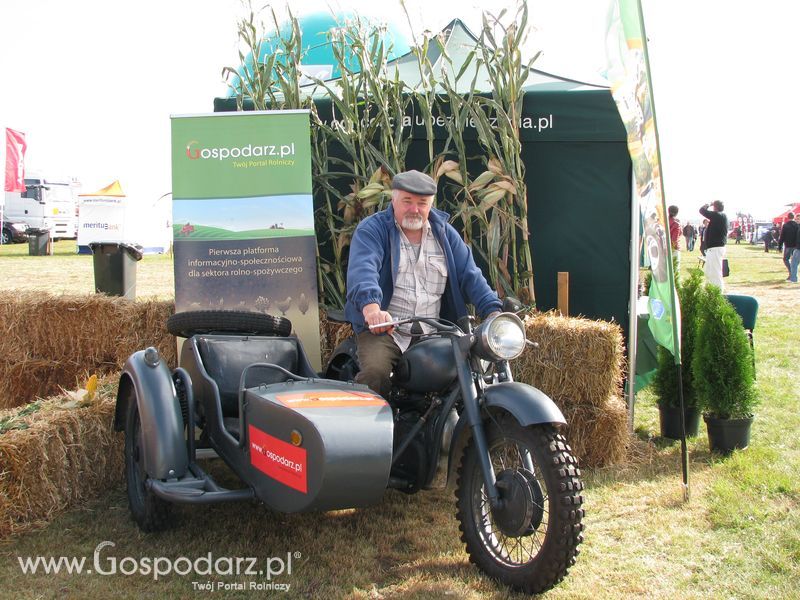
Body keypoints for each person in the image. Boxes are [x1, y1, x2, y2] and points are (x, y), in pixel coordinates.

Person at [344, 170, 502, 397]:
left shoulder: (445, 234)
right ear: (394, 200)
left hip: (436, 331)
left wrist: (493, 311)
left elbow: (471, 275)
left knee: (473, 372)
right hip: (387, 332)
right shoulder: (373, 230)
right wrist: (372, 309)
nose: (414, 209)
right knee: (375, 373)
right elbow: (363, 270)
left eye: (422, 203)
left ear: (430, 204)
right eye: (407, 201)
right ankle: (371, 430)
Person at [699, 201, 728, 288]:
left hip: (716, 248)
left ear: (715, 207)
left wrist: (708, 204)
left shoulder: (718, 215)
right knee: (709, 272)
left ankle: (717, 293)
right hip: (713, 248)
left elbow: (702, 210)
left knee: (715, 273)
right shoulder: (720, 216)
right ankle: (710, 290)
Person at [778, 212, 799, 280]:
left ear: (788, 217)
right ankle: (792, 274)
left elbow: (782, 236)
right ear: (794, 217)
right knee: (795, 261)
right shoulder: (797, 225)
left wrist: (780, 246)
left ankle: (791, 273)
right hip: (795, 245)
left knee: (786, 259)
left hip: (788, 245)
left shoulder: (785, 225)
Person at [790, 213, 800, 283]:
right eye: (796, 219)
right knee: (794, 263)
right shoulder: (797, 227)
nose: (797, 220)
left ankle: (793, 279)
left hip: (798, 248)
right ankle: (793, 279)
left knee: (794, 263)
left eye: (798, 219)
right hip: (797, 247)